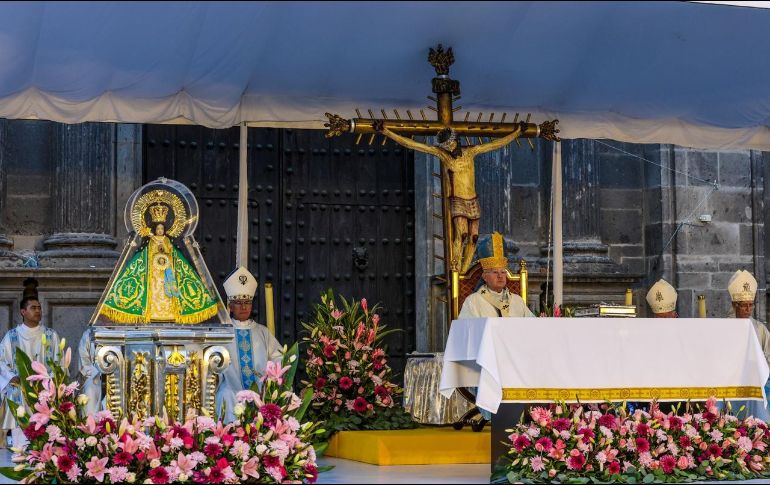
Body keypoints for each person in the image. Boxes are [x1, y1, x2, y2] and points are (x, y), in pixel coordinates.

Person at [375, 121, 526, 274]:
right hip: (457, 199)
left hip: (472, 199)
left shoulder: (470, 151)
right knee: (462, 234)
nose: (450, 148)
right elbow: (413, 145)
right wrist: (387, 132)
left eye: (451, 144)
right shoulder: (443, 155)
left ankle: (464, 272)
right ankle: (455, 269)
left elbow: (494, 145)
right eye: (447, 146)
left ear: (456, 141)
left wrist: (517, 133)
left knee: (474, 237)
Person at [99, 200, 218, 324]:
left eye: (162, 228)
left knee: (169, 292)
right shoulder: (150, 240)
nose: (160, 231)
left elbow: (172, 252)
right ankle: (151, 312)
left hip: (168, 271)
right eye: (158, 228)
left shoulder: (167, 240)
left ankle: (171, 313)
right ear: (154, 229)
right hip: (153, 272)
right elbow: (146, 252)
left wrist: (168, 255)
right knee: (154, 291)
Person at [0, 278, 61, 448]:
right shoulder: (11, 337)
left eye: (39, 308)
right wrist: (11, 377)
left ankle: (44, 455)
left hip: (44, 388)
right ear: (23, 312)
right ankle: (20, 451)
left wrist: (50, 380)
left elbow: (59, 362)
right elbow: (1, 361)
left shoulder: (51, 335)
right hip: (19, 387)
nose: (38, 311)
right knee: (20, 426)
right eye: (33, 308)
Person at [216, 266, 283, 422]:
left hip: (260, 394)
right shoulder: (222, 333)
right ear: (230, 306)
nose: (244, 307)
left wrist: (272, 376)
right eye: (238, 303)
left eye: (247, 302)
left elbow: (279, 359)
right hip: (231, 394)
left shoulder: (263, 332)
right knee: (225, 395)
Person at [458, 232, 533, 318]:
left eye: (503, 272)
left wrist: (542, 320)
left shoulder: (517, 300)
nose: (500, 276)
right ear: (484, 277)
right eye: (495, 272)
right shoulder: (473, 301)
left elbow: (531, 323)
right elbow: (466, 325)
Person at [77, 326, 103, 417]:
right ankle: (90, 424)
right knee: (90, 389)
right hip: (94, 377)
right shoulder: (89, 334)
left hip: (118, 378)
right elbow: (84, 362)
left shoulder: (122, 332)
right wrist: (98, 375)